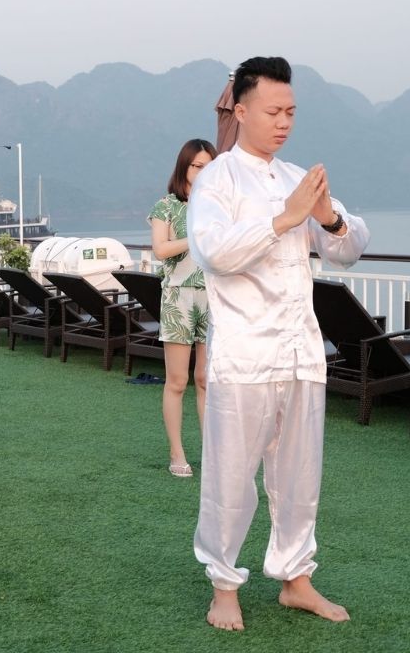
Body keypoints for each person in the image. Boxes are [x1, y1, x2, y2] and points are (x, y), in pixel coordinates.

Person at [188, 56, 369, 631]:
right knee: (230, 476)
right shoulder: (217, 179)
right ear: (241, 112)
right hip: (243, 353)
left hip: (300, 351)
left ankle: (296, 579)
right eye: (273, 111)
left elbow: (348, 246)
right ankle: (224, 583)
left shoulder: (297, 178)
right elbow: (214, 253)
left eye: (291, 111)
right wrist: (284, 220)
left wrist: (329, 219)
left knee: (299, 478)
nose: (284, 121)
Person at [148, 138, 217, 477]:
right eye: (196, 165)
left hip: (213, 296)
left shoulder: (220, 207)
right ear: (184, 168)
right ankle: (177, 454)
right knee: (177, 380)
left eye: (208, 166)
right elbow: (160, 249)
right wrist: (196, 237)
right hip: (178, 296)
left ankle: (213, 455)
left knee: (206, 379)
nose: (202, 172)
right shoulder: (167, 206)